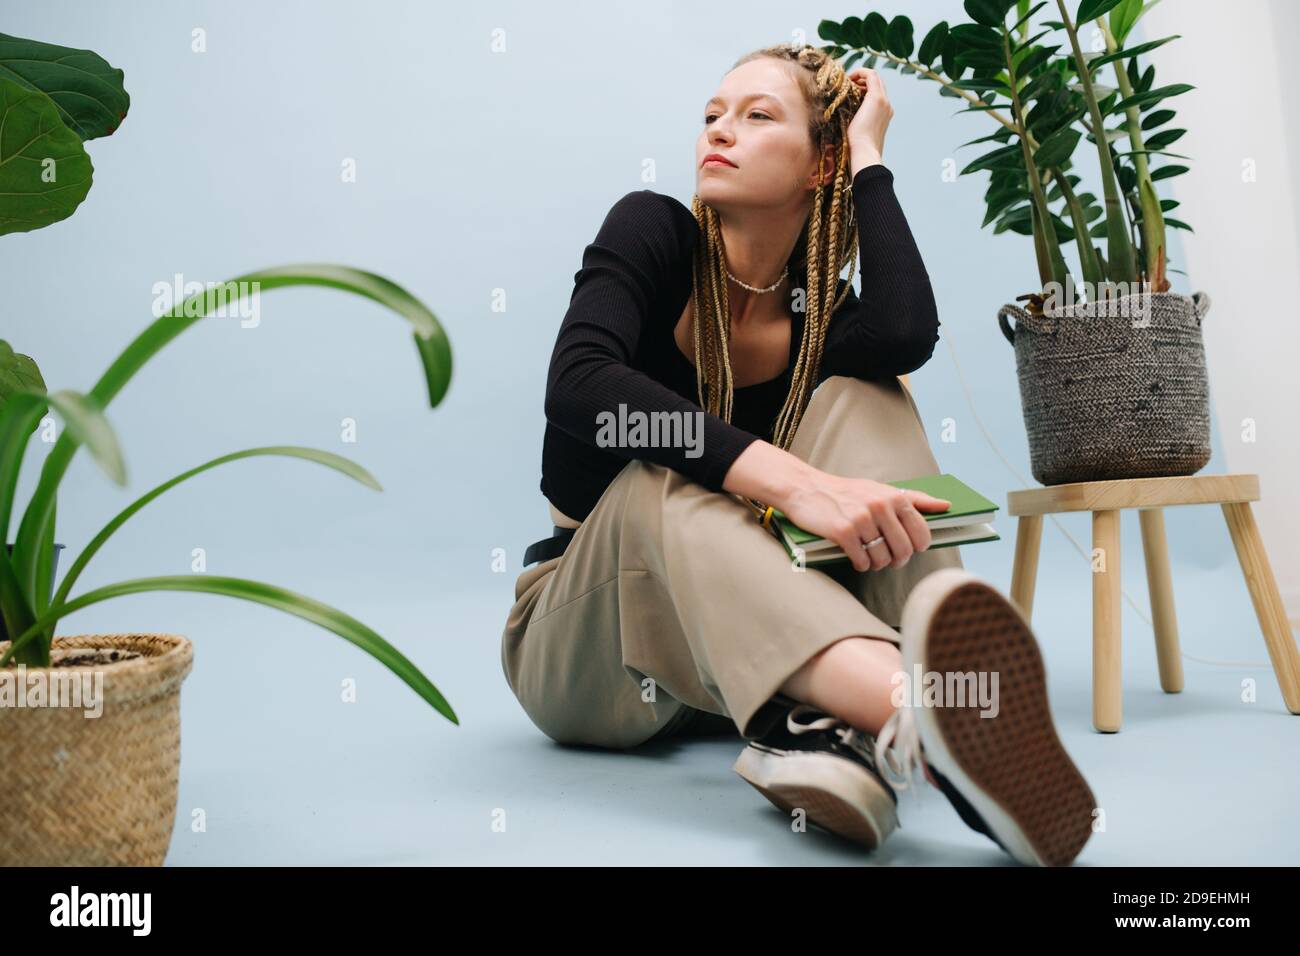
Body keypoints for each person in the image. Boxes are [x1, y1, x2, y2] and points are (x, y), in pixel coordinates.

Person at [501, 43, 1096, 866]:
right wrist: (789, 482)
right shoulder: (651, 230)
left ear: (820, 163)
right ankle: (934, 710)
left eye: (756, 116)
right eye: (713, 114)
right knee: (657, 480)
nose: (720, 131)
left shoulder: (819, 315)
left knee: (869, 392)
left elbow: (903, 333)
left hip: (750, 652)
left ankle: (830, 730)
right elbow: (579, 390)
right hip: (594, 653)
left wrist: (869, 157)